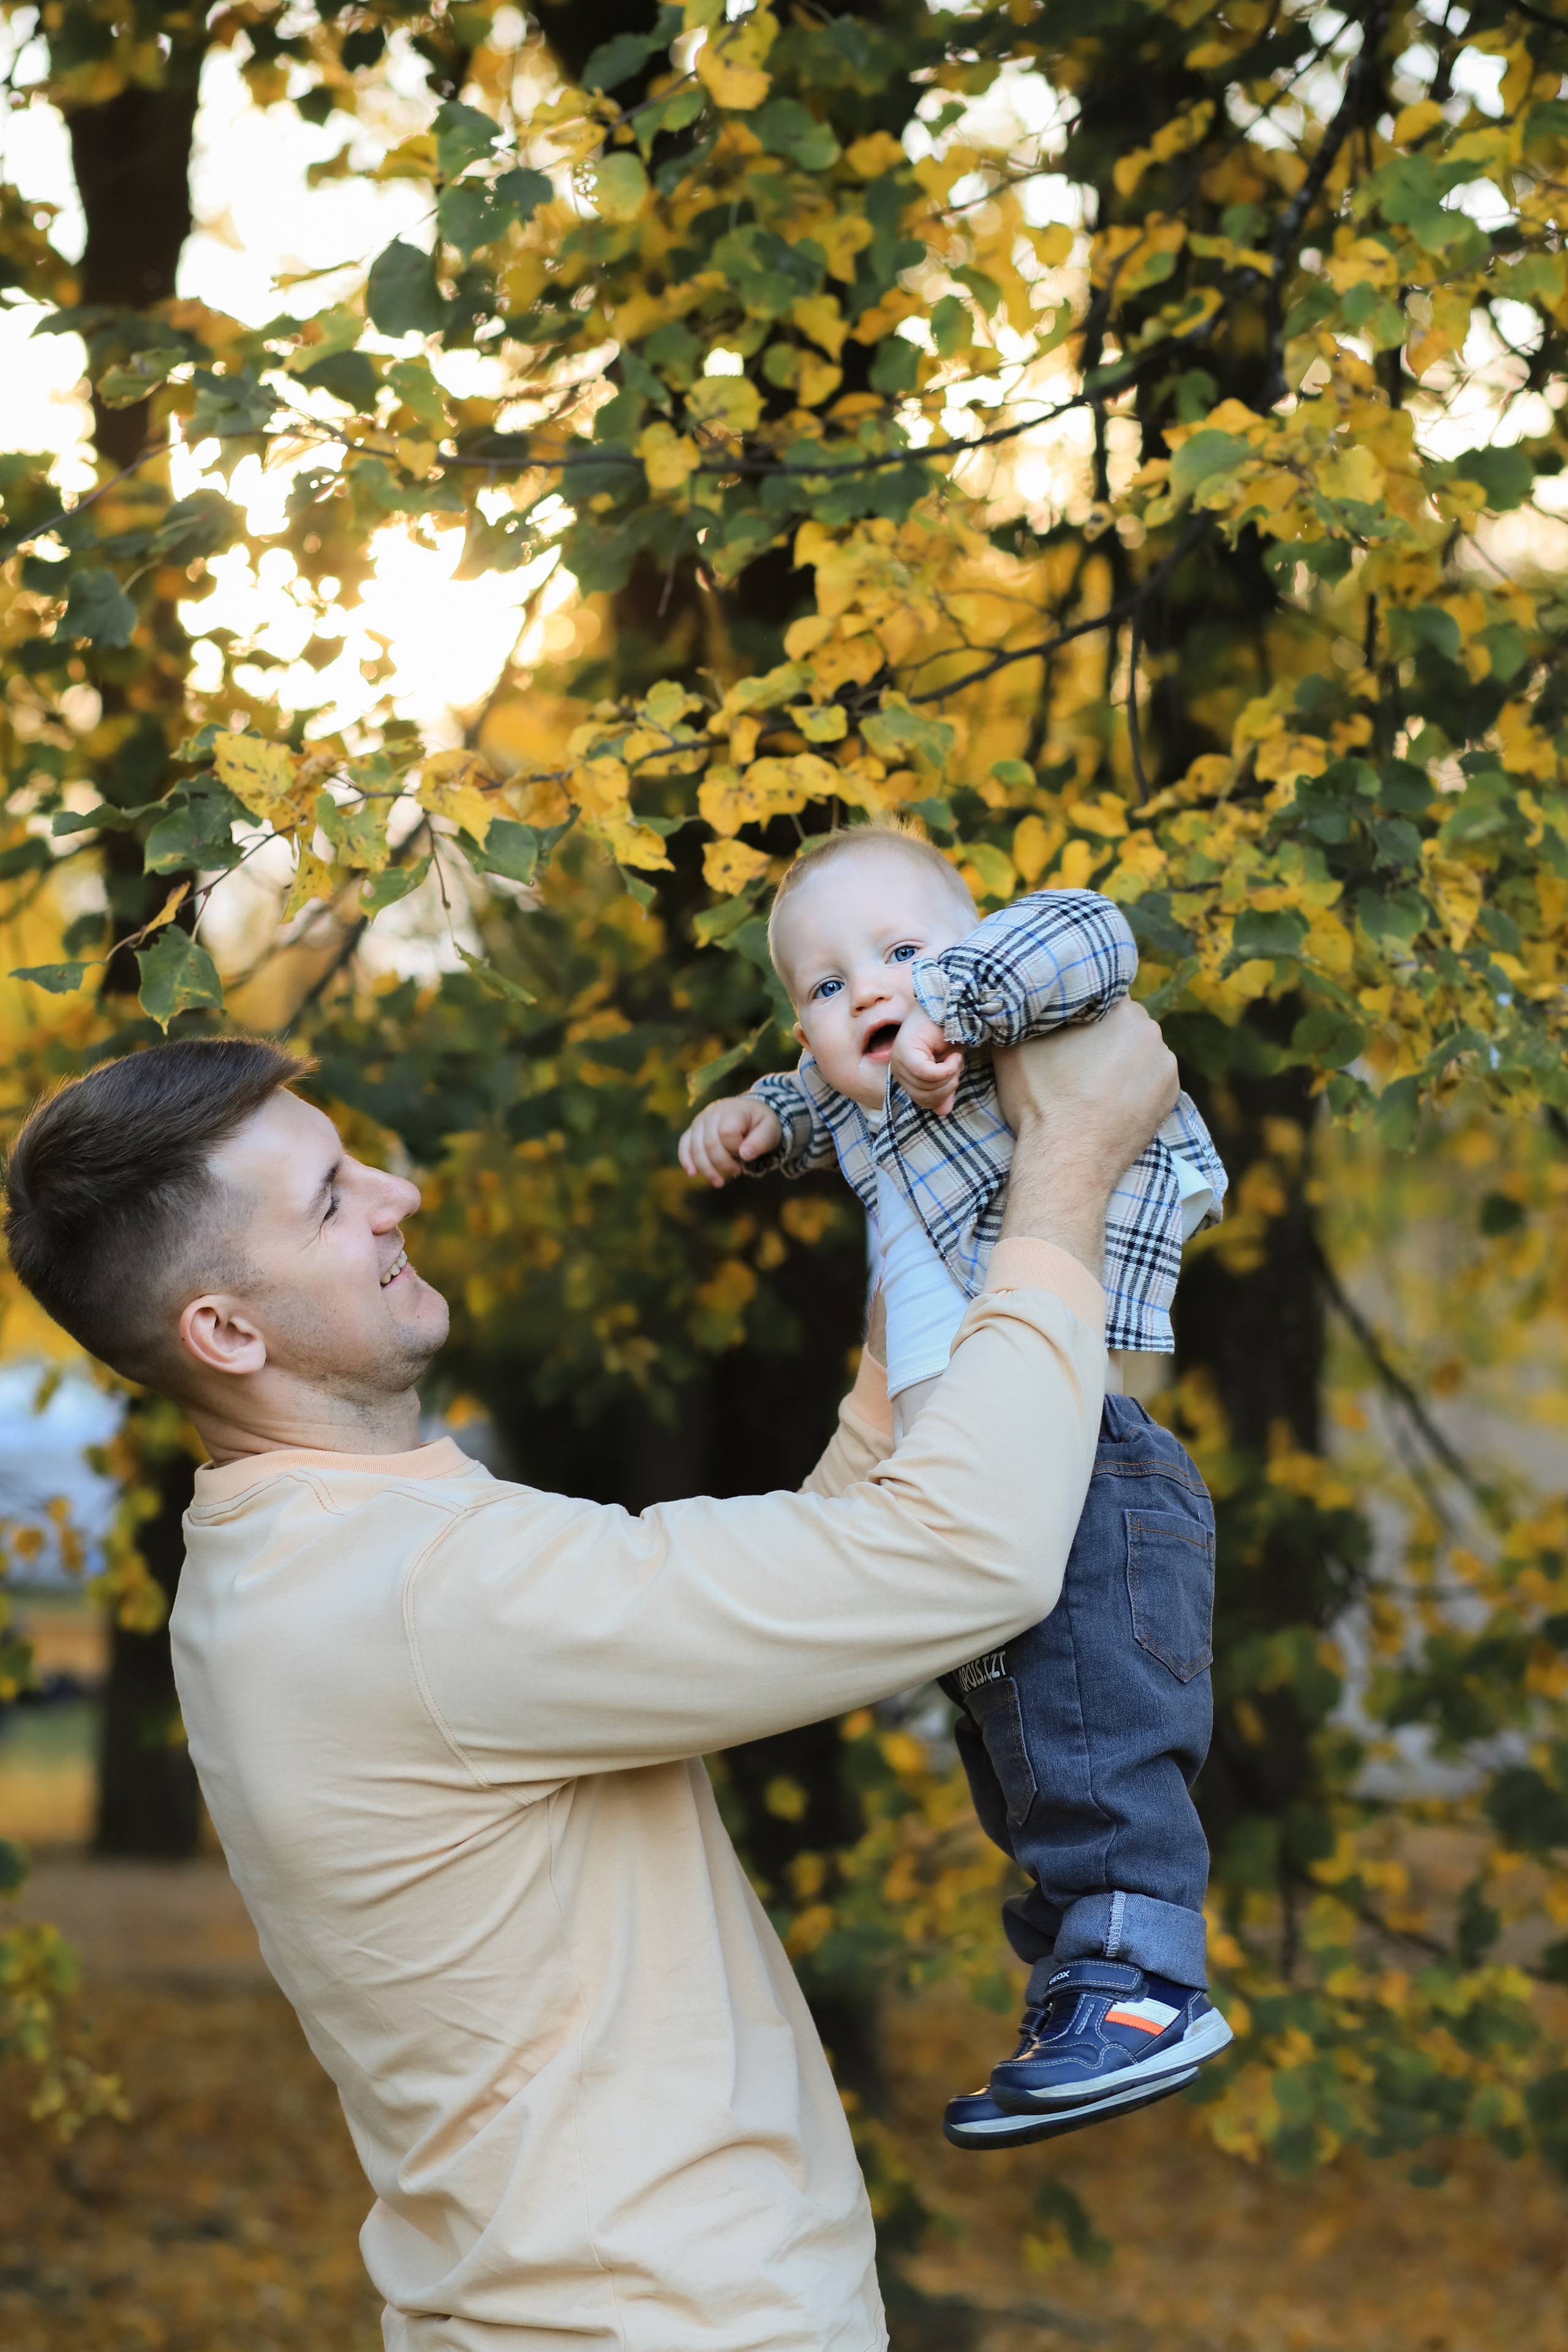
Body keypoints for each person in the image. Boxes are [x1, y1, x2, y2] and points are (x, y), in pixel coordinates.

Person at [4, 1013, 1174, 2352]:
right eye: (331, 1201)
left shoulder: (297, 1558)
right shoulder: (420, 1591)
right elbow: (969, 1561)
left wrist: (902, 1304)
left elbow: (805, 1591)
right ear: (223, 1330)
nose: (399, 1196)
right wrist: (1068, 1167)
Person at [679, 826, 1232, 2151]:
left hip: (1084, 1464)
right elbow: (813, 1097)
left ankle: (1146, 1986)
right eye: (826, 985)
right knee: (1027, 1766)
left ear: (972, 949)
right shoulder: (859, 1103)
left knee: (1097, 1746)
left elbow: (1091, 931)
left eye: (901, 950)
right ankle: (1081, 1996)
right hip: (962, 1487)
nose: (869, 989)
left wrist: (958, 1001)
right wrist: (754, 1118)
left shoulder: (1009, 1042)